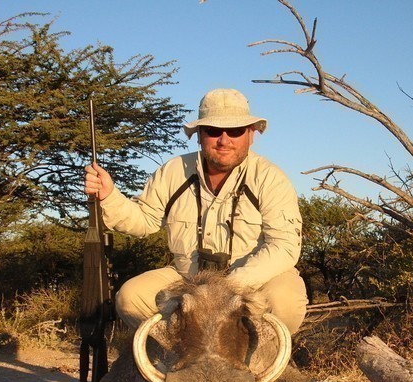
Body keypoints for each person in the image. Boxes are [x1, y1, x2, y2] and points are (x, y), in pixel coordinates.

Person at [84, 88, 307, 333]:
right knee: (131, 297)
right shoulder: (172, 171)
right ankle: (176, 358)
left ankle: (257, 363)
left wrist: (230, 286)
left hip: (249, 283)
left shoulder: (270, 178)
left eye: (234, 131)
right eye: (212, 131)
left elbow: (284, 246)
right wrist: (109, 196)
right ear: (199, 135)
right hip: (188, 280)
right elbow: (144, 220)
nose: (224, 140)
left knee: (285, 301)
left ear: (251, 134)